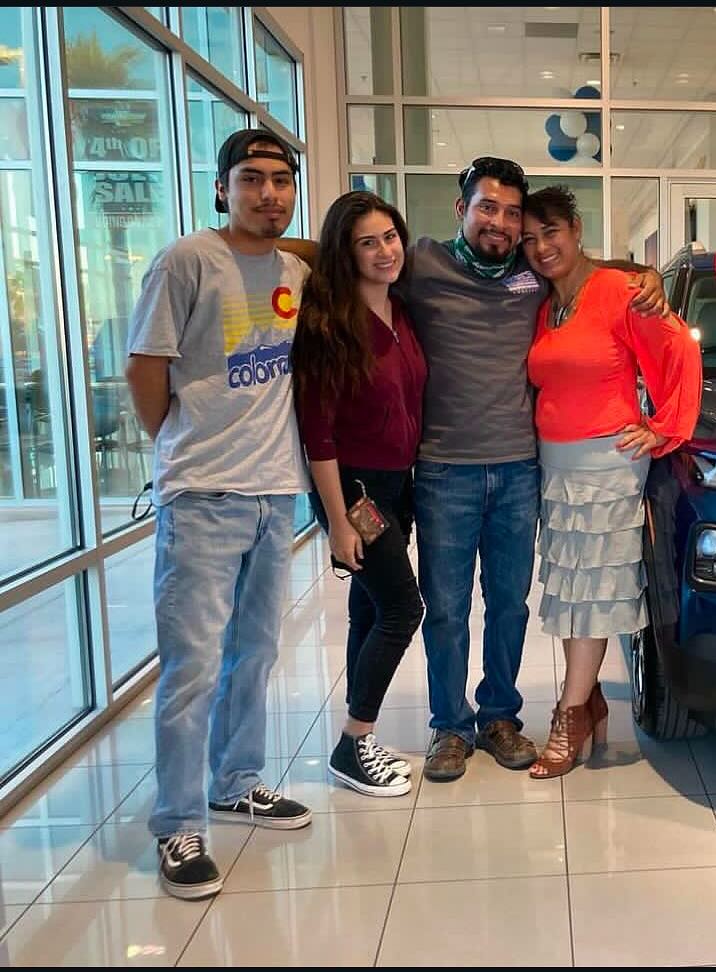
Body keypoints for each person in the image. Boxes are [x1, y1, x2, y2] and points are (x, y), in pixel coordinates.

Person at [403, 159, 669, 782]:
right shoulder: (422, 265)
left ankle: (499, 715)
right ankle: (449, 725)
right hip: (444, 469)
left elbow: (590, 269)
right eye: (486, 208)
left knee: (509, 604)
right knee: (446, 607)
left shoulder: (531, 276)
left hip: (521, 468)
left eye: (511, 213)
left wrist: (650, 273)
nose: (499, 223)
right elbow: (352, 261)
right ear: (462, 210)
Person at [125, 129, 313, 901]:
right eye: (251, 178)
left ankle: (236, 782)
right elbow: (145, 367)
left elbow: (334, 251)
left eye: (281, 180)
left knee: (256, 652)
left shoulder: (295, 270)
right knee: (193, 666)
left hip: (274, 492)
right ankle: (177, 821)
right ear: (220, 187)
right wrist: (178, 444)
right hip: (202, 495)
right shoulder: (184, 261)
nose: (269, 193)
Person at [521, 185, 702, 778]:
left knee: (594, 591)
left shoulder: (622, 292)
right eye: (530, 239)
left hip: (607, 463)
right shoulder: (546, 303)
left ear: (575, 228)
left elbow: (680, 350)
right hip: (556, 466)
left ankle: (570, 712)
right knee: (572, 589)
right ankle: (591, 698)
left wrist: (665, 426)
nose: (541, 247)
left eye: (551, 232)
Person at [292, 191, 426, 798]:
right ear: (345, 253)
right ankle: (354, 740)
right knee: (402, 609)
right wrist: (338, 521)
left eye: (389, 237)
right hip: (355, 493)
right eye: (366, 243)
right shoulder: (328, 326)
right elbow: (317, 433)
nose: (383, 251)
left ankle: (358, 735)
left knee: (369, 609)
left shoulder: (402, 310)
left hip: (396, 486)